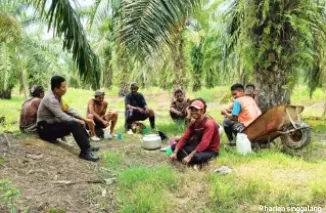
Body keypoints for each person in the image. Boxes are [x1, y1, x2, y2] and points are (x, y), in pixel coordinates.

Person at [37, 76, 99, 161]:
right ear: (56, 89)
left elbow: (69, 110)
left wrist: (84, 119)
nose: (66, 88)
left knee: (76, 122)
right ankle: (85, 152)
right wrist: (77, 121)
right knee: (74, 123)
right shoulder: (50, 99)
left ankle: (87, 146)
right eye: (63, 87)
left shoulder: (57, 97)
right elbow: (61, 116)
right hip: (45, 130)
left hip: (52, 126)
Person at [169, 99, 220, 166]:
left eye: (196, 110)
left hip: (210, 150)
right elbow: (185, 138)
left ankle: (188, 159)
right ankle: (186, 159)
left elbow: (205, 143)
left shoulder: (209, 123)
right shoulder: (193, 123)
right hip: (197, 147)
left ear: (202, 110)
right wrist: (175, 152)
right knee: (174, 146)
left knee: (196, 157)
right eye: (192, 110)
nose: (193, 112)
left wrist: (190, 156)